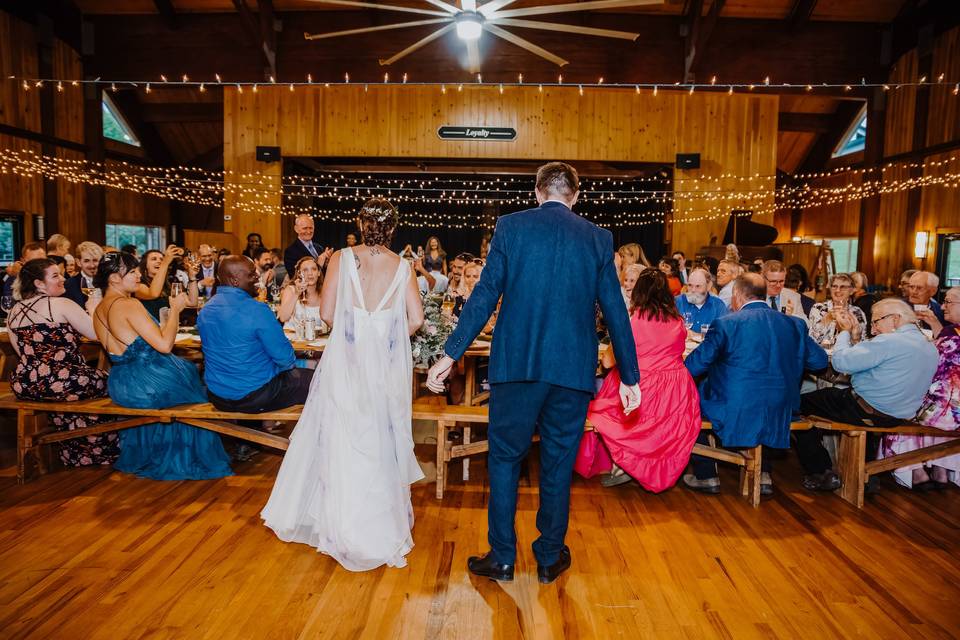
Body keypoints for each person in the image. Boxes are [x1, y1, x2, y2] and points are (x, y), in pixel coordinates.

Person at [426, 162, 640, 584]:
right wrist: (631, 376)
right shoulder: (598, 238)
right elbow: (616, 311)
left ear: (537, 193)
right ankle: (547, 557)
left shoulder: (510, 228)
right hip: (571, 371)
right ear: (575, 196)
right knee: (558, 463)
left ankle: (502, 557)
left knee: (505, 459)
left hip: (516, 366)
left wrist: (451, 354)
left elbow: (485, 294)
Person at [262, 197, 425, 571]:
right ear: (393, 227)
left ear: (361, 222)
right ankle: (376, 523)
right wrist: (384, 329)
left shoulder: (341, 258)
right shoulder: (403, 267)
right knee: (377, 435)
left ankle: (336, 518)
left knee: (339, 432)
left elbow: (326, 312)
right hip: (381, 366)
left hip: (347, 360)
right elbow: (414, 319)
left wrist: (357, 326)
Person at [683, 273, 828, 496]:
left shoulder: (725, 324)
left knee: (688, 405)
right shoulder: (794, 324)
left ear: (738, 295)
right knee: (765, 402)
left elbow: (693, 367)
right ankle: (764, 474)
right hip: (783, 408)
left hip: (733, 406)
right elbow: (819, 361)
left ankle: (707, 475)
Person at [91, 252, 232, 481]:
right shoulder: (129, 304)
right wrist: (175, 309)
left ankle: (149, 453)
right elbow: (165, 345)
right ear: (115, 279)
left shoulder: (99, 308)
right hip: (148, 379)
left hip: (121, 382)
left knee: (187, 373)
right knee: (193, 384)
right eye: (133, 272)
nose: (139, 276)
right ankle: (184, 457)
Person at [575, 269, 700, 492]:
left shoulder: (632, 321)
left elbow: (607, 363)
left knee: (599, 407)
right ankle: (634, 463)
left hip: (641, 388)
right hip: (676, 394)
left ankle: (624, 463)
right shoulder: (678, 322)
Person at [796, 299, 938, 491]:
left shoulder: (888, 341)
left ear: (895, 319)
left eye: (876, 322)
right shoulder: (929, 345)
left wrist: (844, 332)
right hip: (898, 415)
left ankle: (821, 471)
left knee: (798, 404)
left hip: (866, 410)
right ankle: (867, 478)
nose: (873, 329)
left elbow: (840, 363)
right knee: (863, 401)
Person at [7, 258, 120, 466]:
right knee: (115, 382)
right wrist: (94, 308)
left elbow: (20, 351)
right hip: (65, 379)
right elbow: (97, 334)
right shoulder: (61, 304)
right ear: (39, 284)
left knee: (71, 390)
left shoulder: (13, 312)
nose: (64, 280)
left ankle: (73, 450)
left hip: (26, 383)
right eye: (55, 276)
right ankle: (101, 448)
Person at [198, 256, 315, 413]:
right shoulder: (257, 310)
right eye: (252, 274)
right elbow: (286, 359)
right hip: (254, 396)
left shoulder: (206, 310)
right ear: (234, 281)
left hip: (217, 396)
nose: (258, 277)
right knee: (318, 381)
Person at [877, 286, 960, 489]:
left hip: (950, 413)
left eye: (948, 302)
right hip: (954, 411)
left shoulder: (950, 340)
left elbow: (928, 373)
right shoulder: (951, 333)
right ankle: (941, 468)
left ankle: (914, 470)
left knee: (901, 407)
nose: (943, 305)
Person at [136, 246, 198, 321]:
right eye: (154, 259)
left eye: (161, 259)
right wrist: (165, 263)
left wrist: (192, 277)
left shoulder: (169, 284)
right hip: (149, 329)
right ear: (145, 265)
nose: (159, 261)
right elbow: (153, 294)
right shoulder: (137, 285)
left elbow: (192, 302)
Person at [808, 273, 867, 347]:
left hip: (846, 356)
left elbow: (862, 346)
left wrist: (855, 338)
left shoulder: (857, 313)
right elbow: (811, 341)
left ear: (851, 291)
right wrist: (827, 319)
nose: (838, 290)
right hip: (823, 355)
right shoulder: (819, 308)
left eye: (843, 287)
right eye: (834, 286)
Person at [674, 268, 727, 333]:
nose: (693, 290)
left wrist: (696, 336)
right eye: (690, 285)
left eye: (698, 286)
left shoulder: (718, 306)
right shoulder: (677, 302)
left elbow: (723, 334)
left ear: (708, 286)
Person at [277, 256, 323, 330]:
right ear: (299, 274)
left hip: (319, 340)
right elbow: (283, 318)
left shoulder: (325, 293)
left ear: (319, 273)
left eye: (313, 269)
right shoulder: (291, 290)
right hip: (293, 339)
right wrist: (297, 293)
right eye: (305, 270)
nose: (310, 273)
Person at [63, 241, 103, 308]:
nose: (92, 265)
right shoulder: (69, 285)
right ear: (78, 262)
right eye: (86, 261)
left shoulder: (107, 282)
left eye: (95, 260)